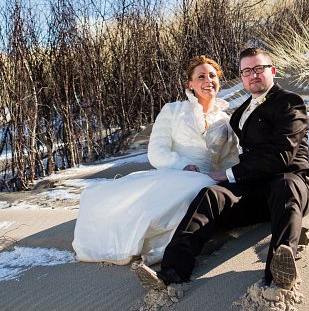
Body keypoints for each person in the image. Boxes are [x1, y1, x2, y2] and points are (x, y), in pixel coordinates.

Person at [136, 46, 309, 292]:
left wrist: (229, 175)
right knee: (212, 196)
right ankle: (171, 272)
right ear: (241, 77)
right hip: (257, 190)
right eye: (247, 71)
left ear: (272, 71)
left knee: (284, 186)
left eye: (259, 69)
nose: (253, 75)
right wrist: (225, 179)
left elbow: (282, 155)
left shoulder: (289, 102)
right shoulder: (239, 114)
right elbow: (233, 157)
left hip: (292, 184)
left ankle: (277, 273)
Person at [72, 56, 240, 266]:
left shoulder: (226, 121)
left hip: (207, 178)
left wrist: (229, 178)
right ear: (191, 84)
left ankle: (168, 252)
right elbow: (156, 151)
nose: (208, 80)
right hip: (175, 173)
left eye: (213, 76)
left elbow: (229, 160)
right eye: (201, 76)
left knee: (204, 192)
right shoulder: (173, 110)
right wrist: (183, 165)